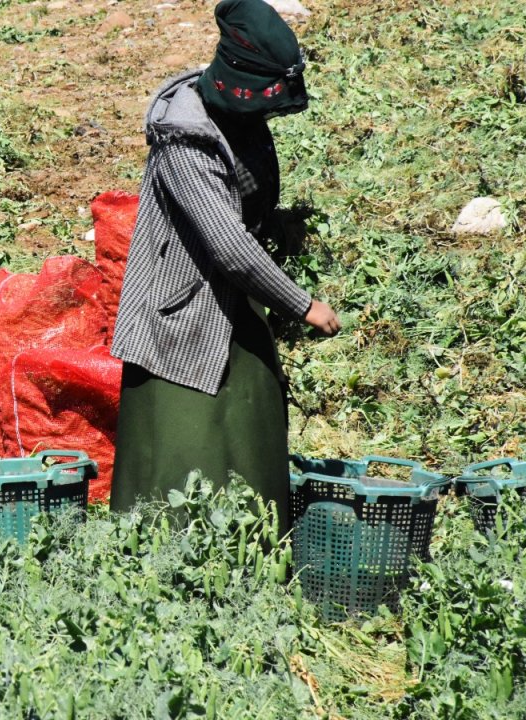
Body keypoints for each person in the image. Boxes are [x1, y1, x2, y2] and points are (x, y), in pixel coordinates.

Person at [109, 0, 341, 518]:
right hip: (179, 311)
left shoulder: (241, 115)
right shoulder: (185, 139)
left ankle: (254, 556)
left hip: (234, 304)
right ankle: (173, 563)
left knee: (250, 427)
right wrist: (302, 305)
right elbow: (228, 246)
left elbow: (248, 206)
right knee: (185, 449)